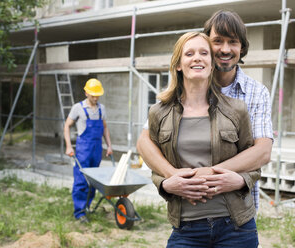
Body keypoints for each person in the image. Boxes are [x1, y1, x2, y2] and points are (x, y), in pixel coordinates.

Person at [137, 10, 273, 210]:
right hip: (188, 212)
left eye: (233, 42)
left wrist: (206, 174)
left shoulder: (257, 92)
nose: (225, 49)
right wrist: (172, 175)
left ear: (242, 47)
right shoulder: (183, 89)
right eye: (218, 41)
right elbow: (144, 141)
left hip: (237, 212)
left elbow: (262, 151)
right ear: (207, 45)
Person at [149, 31, 259, 247]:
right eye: (189, 53)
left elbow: (253, 164)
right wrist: (166, 184)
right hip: (186, 229)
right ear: (179, 64)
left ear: (211, 64)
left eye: (203, 53)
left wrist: (240, 180)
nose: (197, 58)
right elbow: (156, 166)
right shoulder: (159, 112)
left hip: (235, 226)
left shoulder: (237, 110)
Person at [64, 78, 113, 223]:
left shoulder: (101, 109)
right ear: (86, 93)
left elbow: (104, 127)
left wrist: (109, 145)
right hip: (83, 149)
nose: (95, 98)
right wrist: (68, 146)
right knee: (81, 181)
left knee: (93, 181)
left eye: (97, 95)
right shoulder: (77, 108)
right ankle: (79, 212)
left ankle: (87, 207)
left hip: (97, 149)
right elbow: (67, 126)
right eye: (93, 95)